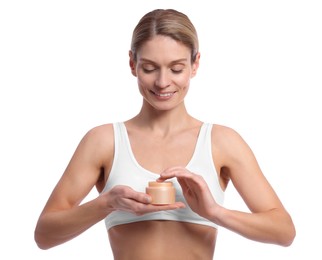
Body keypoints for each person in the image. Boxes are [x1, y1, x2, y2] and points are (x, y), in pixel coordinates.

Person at [34, 8, 296, 259]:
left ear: (195, 64)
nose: (162, 82)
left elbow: (283, 231)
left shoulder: (222, 142)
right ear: (132, 63)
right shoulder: (103, 141)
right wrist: (106, 203)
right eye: (149, 68)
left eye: (176, 68)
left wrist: (214, 212)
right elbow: (44, 235)